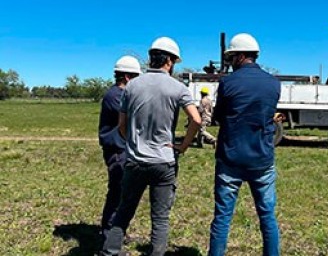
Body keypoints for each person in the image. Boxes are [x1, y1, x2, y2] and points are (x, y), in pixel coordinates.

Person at [101, 37, 201, 256]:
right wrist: (182, 146)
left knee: (124, 212)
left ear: (151, 58)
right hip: (164, 162)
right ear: (171, 61)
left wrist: (133, 142)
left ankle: (109, 252)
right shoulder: (178, 88)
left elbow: (121, 126)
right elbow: (196, 120)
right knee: (160, 218)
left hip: (135, 161)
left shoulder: (132, 86)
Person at [208, 33, 281, 256]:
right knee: (267, 216)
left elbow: (218, 117)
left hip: (231, 158)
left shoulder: (227, 83)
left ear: (240, 56)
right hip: (262, 159)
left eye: (231, 58)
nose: (230, 63)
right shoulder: (273, 83)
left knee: (222, 217)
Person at [97, 55, 141, 238]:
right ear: (127, 77)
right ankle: (108, 233)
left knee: (123, 194)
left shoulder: (120, 95)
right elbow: (133, 118)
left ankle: (117, 231)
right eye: (136, 78)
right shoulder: (116, 96)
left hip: (122, 149)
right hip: (117, 151)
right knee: (117, 193)